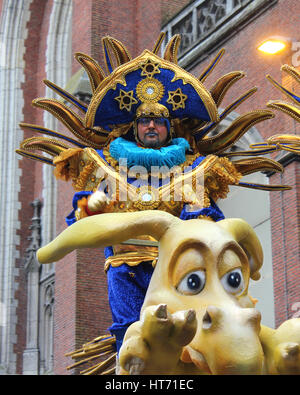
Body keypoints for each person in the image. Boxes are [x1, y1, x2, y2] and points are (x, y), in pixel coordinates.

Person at [65, 108, 227, 352]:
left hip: (173, 269)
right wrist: (91, 207)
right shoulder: (107, 165)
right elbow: (80, 223)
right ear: (135, 127)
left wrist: (197, 216)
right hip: (124, 268)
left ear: (169, 128)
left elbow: (205, 223)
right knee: (130, 333)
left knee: (181, 333)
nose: (151, 126)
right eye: (144, 121)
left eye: (159, 121)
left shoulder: (192, 169)